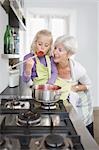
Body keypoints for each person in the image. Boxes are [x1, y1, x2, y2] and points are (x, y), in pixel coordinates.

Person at [53, 35, 94, 137]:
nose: (55, 52)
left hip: (81, 105)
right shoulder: (51, 65)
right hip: (63, 104)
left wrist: (72, 88)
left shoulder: (78, 69)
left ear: (69, 53)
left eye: (60, 50)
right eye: (54, 48)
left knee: (83, 135)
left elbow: (88, 84)